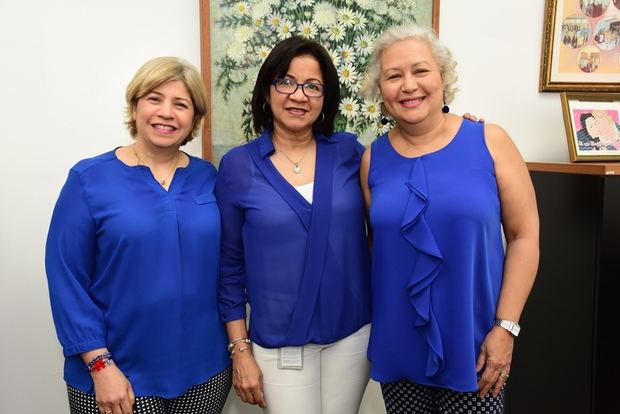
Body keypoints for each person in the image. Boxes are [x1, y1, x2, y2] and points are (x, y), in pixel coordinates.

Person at [359, 25, 539, 414]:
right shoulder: (372, 159)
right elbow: (377, 246)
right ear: (381, 91)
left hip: (475, 348)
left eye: (420, 71)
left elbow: (525, 236)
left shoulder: (490, 140)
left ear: (443, 77)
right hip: (400, 347)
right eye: (393, 76)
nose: (408, 85)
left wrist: (506, 329)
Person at [45, 56, 231, 414]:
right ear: (135, 105)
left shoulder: (209, 178)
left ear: (194, 117)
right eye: (154, 98)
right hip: (118, 375)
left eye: (181, 104)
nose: (167, 112)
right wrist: (100, 365)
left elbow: (229, 264)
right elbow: (65, 277)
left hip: (205, 372)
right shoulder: (89, 179)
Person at [215, 36, 372, 414]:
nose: (298, 95)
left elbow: (401, 191)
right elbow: (229, 267)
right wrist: (240, 349)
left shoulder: (351, 153)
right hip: (278, 343)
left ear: (325, 99)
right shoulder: (239, 166)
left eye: (312, 86)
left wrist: (453, 127)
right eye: (286, 81)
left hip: (352, 338)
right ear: (267, 91)